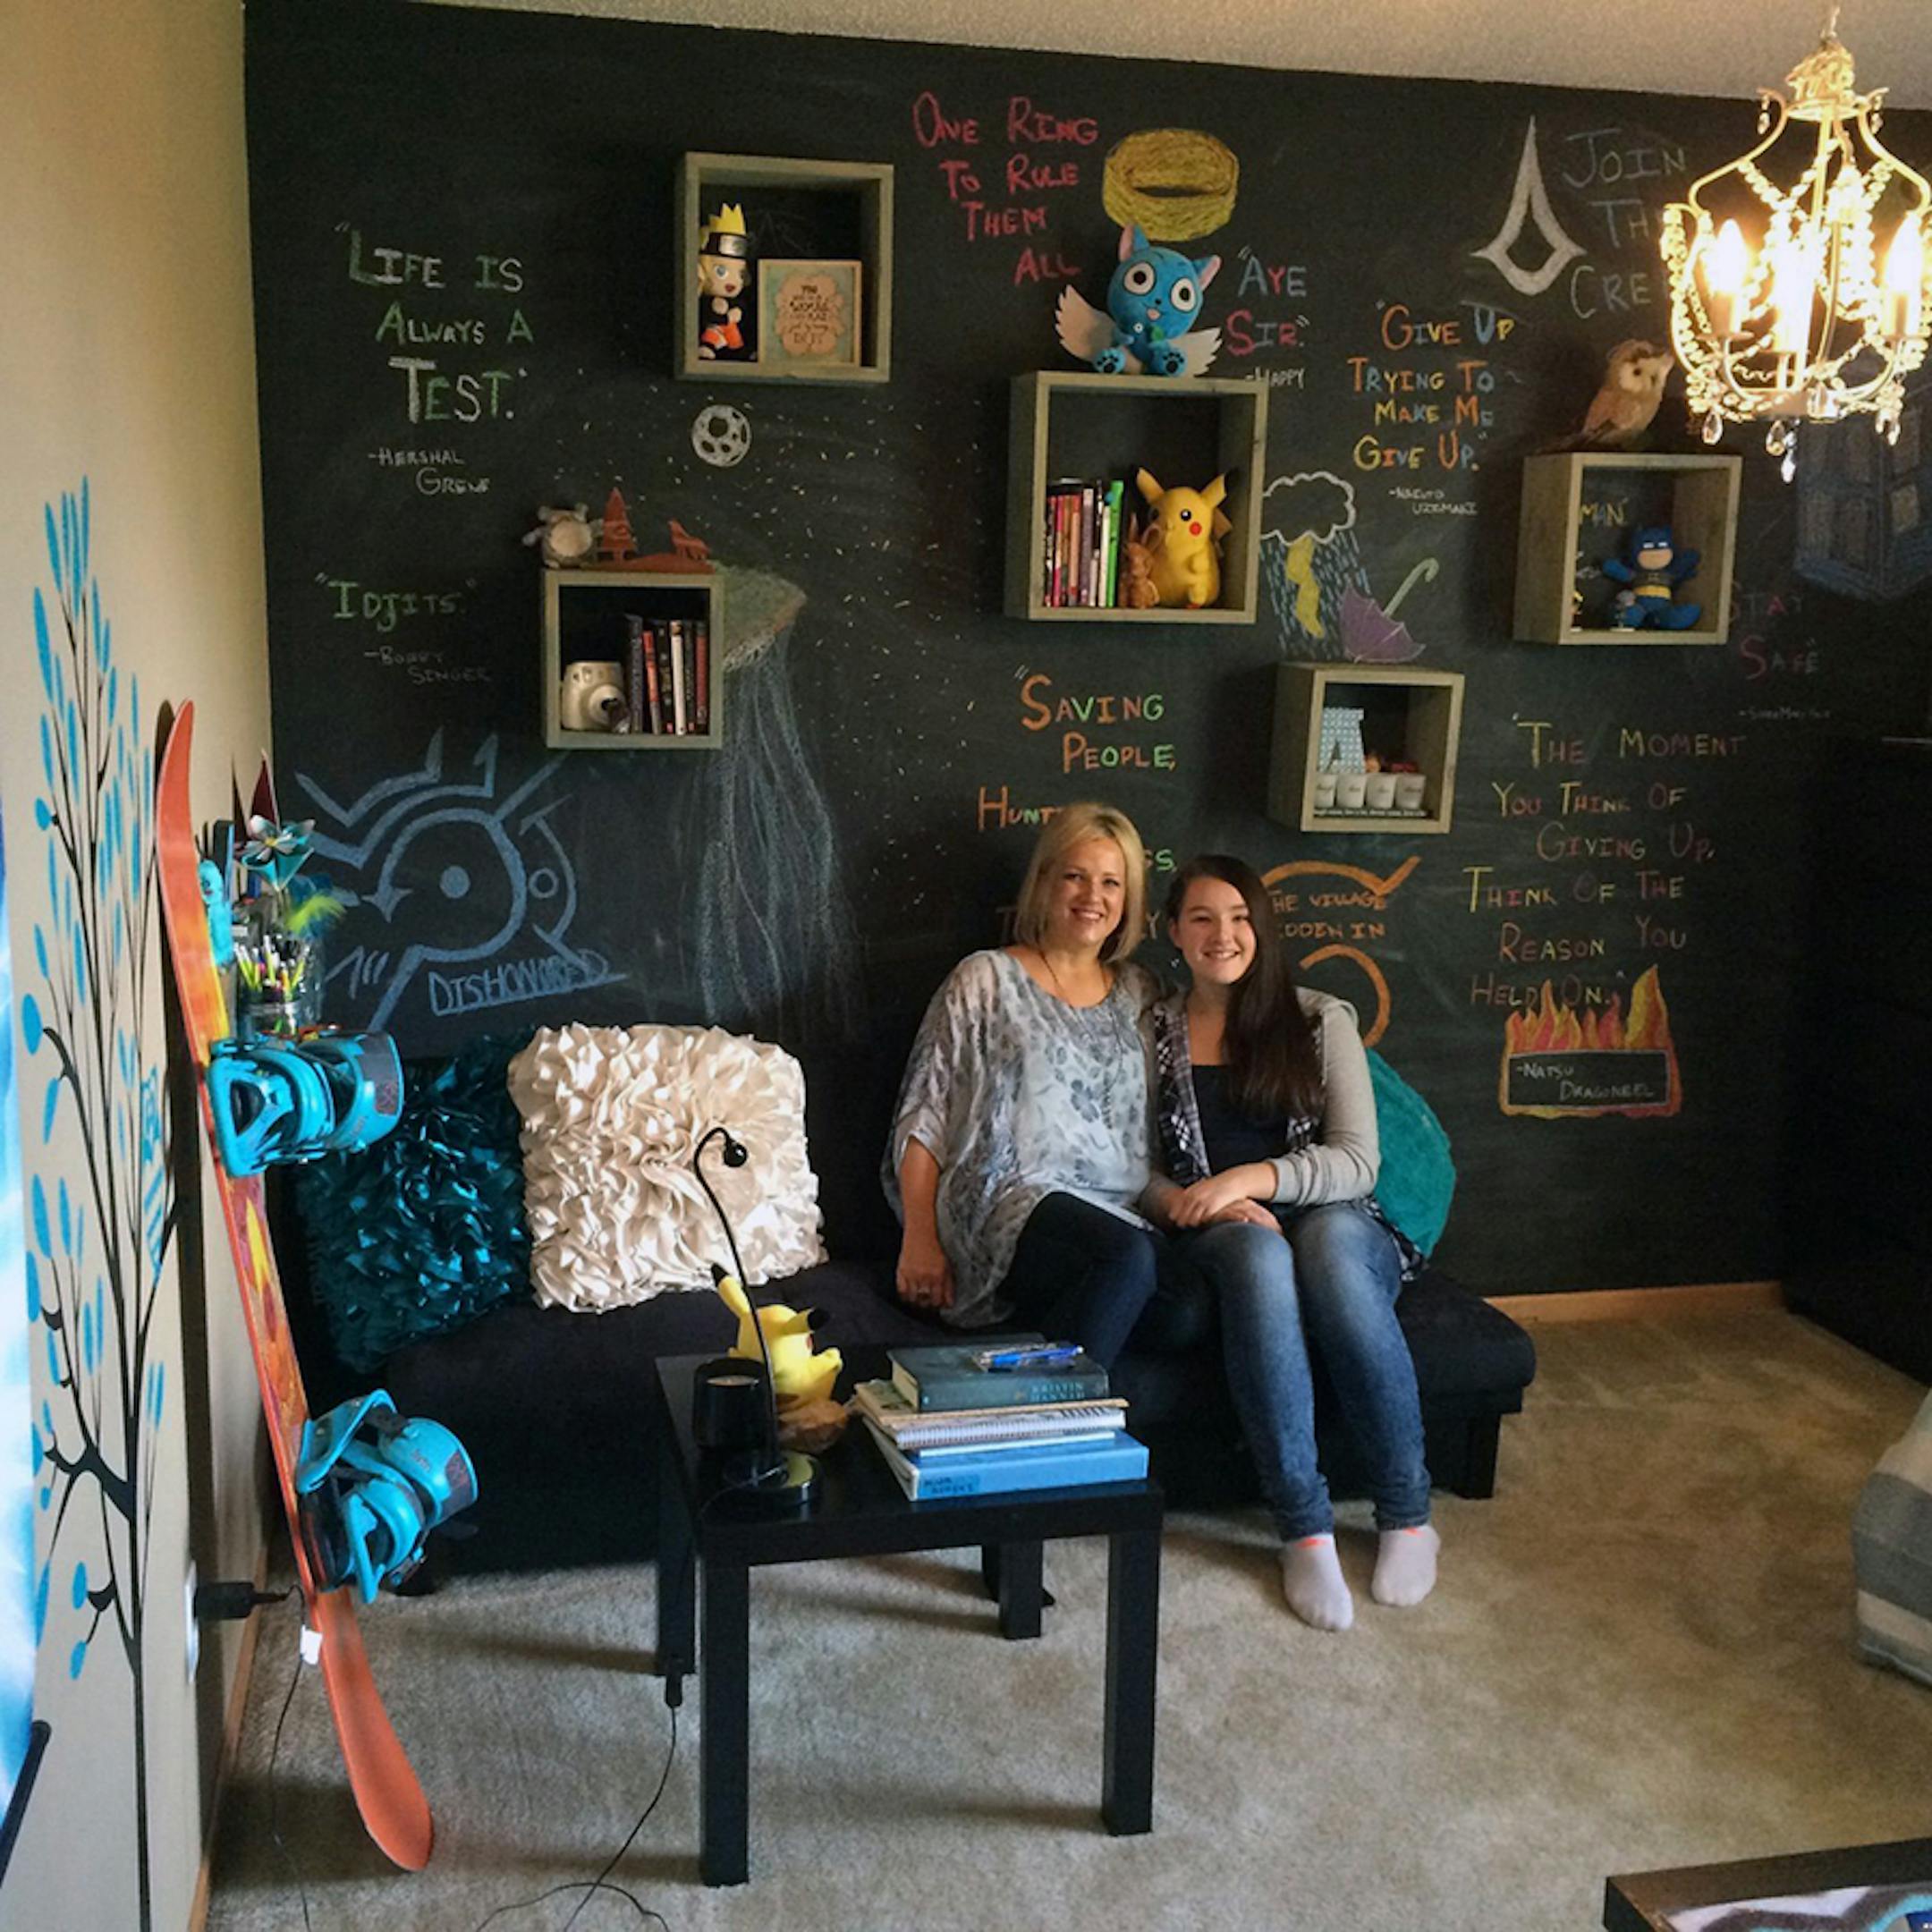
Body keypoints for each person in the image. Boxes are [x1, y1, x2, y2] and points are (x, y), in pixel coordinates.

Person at [1143, 855, 1436, 1630]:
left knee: (1329, 1253)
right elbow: (1126, 1161)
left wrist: (1245, 1181)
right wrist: (1189, 1200)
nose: (1223, 935)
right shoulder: (1151, 1032)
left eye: (1241, 918)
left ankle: (1406, 1513)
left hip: (1336, 1218)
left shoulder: (1318, 1019)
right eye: (1202, 918)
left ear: (1263, 930)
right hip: (1218, 1230)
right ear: (1173, 931)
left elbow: (1355, 1160)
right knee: (1263, 1256)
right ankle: (1303, 1526)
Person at [885, 803, 1160, 1368]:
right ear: (1044, 882)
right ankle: (1056, 1434)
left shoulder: (1141, 993)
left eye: (1112, 882)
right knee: (1125, 1261)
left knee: (1184, 1310)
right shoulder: (986, 978)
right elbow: (925, 1112)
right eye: (1075, 876)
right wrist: (919, 1239)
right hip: (1008, 1202)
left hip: (1119, 1210)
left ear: (1128, 900)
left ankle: (1021, 1382)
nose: (1093, 896)